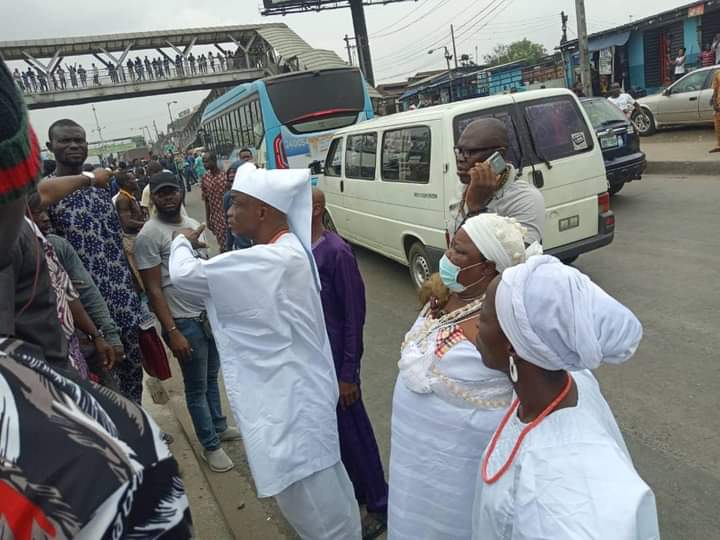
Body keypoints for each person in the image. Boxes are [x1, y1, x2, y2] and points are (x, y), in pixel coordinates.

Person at [169, 163, 361, 539]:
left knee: (323, 519)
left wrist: (180, 241)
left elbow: (185, 276)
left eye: (237, 203)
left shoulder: (273, 259)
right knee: (328, 509)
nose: (228, 211)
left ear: (263, 210)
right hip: (294, 401)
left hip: (290, 410)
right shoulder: (281, 251)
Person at [470, 255, 659, 539]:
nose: (472, 325)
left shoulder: (562, 498)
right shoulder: (561, 381)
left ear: (513, 345)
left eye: (483, 314)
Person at [388, 213, 541, 540]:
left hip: (459, 465)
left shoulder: (503, 320)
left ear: (487, 267)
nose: (447, 257)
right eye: (451, 246)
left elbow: (529, 389)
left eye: (458, 252)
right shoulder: (443, 293)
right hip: (414, 458)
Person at [135, 172, 241, 472]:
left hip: (208, 317)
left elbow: (205, 270)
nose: (168, 197)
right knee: (195, 387)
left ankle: (219, 427)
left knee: (210, 378)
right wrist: (172, 331)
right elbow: (154, 289)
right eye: (161, 193)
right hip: (183, 323)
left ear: (181, 192)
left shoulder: (193, 225)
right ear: (152, 198)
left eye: (172, 191)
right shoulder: (149, 235)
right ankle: (210, 445)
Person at [41, 119, 146, 403]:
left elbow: (116, 244)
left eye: (80, 140)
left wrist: (136, 293)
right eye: (65, 141)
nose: (74, 145)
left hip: (123, 300)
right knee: (103, 383)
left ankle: (140, 426)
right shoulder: (48, 196)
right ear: (50, 147)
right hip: (87, 309)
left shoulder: (101, 190)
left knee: (134, 371)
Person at [312, 188, 389, 539]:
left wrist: (348, 374)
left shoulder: (336, 252)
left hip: (339, 369)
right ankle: (358, 496)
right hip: (316, 367)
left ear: (315, 208)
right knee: (338, 441)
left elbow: (353, 318)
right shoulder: (300, 248)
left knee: (356, 437)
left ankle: (379, 504)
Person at [452, 118, 545, 243]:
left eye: (469, 152)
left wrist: (476, 209)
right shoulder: (464, 185)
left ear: (499, 155)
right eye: (459, 151)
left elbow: (518, 257)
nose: (460, 159)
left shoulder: (526, 199)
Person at [223, 158, 253, 251]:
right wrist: (228, 247)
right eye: (231, 181)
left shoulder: (256, 197)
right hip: (240, 248)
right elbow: (228, 226)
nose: (234, 185)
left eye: (236, 180)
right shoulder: (228, 197)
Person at [201, 152, 228, 249]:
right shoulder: (205, 178)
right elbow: (206, 200)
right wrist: (208, 219)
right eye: (203, 162)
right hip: (216, 217)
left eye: (206, 162)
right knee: (222, 243)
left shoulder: (225, 177)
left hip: (228, 215)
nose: (204, 164)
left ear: (214, 161)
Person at [710, 68, 720, 153]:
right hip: (719, 104)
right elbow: (715, 90)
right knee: (717, 125)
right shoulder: (717, 73)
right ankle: (719, 145)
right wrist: (714, 103)